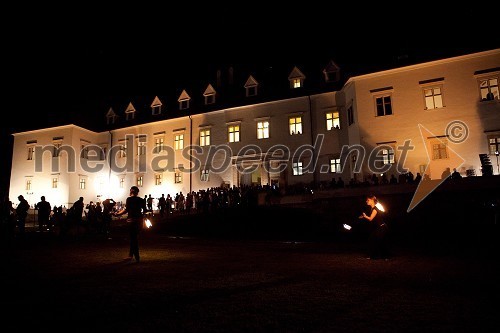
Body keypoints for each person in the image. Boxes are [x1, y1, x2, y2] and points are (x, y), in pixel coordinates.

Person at [114, 186, 146, 262]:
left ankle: (136, 257)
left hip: (131, 221)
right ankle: (131, 255)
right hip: (139, 221)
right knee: (134, 238)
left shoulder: (129, 199)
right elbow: (145, 210)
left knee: (133, 239)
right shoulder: (141, 200)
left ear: (131, 191)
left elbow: (126, 210)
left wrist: (117, 214)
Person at [359, 194, 390, 260]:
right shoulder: (372, 208)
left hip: (382, 228)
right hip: (379, 228)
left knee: (379, 241)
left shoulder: (375, 209)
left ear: (372, 200)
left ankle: (385, 257)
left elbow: (370, 219)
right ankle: (373, 256)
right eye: (366, 200)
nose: (366, 201)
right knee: (372, 240)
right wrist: (364, 217)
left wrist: (365, 216)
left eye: (368, 200)